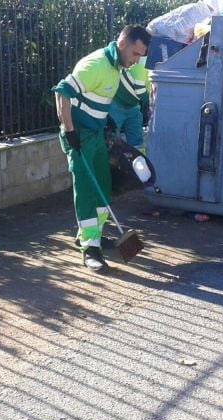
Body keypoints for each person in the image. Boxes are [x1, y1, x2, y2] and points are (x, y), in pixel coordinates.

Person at [52, 25, 151, 272]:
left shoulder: (117, 66)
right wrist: (70, 131)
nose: (136, 60)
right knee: (86, 190)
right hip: (80, 136)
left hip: (96, 134)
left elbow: (97, 99)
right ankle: (90, 249)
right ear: (122, 45)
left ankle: (88, 235)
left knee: (103, 187)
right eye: (135, 54)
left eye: (140, 55)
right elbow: (62, 93)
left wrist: (104, 120)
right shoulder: (96, 64)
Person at [108, 59, 151, 152]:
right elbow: (140, 91)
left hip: (133, 106)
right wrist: (154, 104)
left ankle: (138, 161)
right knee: (111, 136)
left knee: (137, 138)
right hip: (116, 103)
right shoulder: (141, 64)